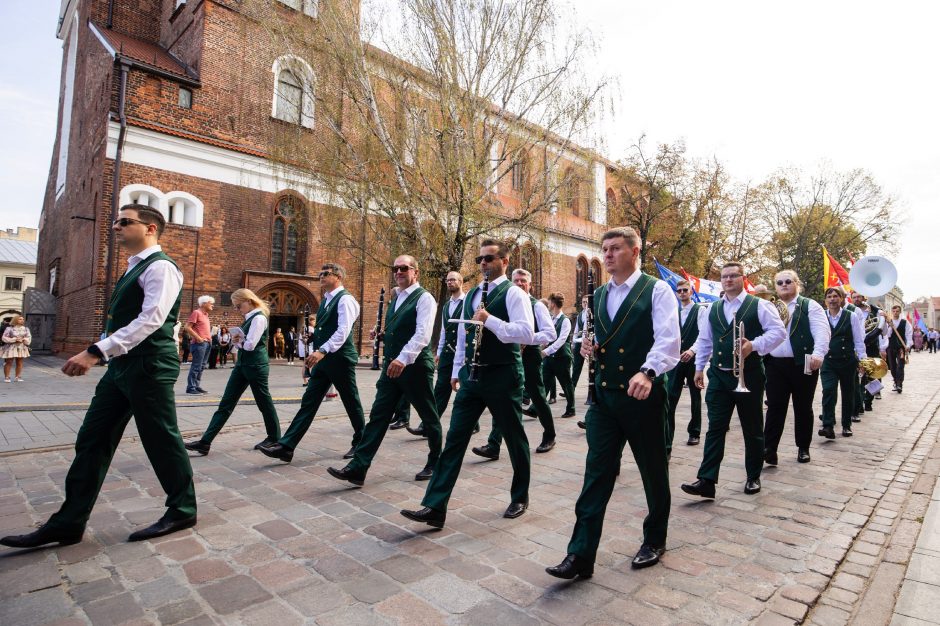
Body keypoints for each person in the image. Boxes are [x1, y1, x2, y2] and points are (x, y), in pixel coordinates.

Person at [1, 203, 196, 549]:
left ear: (150, 228)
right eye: (115, 221)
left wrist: (95, 351)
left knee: (160, 438)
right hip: (123, 366)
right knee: (93, 438)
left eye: (124, 222)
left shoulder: (162, 268)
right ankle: (69, 521)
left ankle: (182, 508)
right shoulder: (133, 268)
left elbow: (151, 320)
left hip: (149, 364)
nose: (115, 227)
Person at [546, 226, 680, 578]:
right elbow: (596, 336)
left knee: (652, 470)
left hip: (643, 396)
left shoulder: (658, 290)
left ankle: (655, 538)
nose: (607, 254)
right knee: (596, 474)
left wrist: (648, 372)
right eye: (604, 249)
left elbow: (669, 341)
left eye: (615, 248)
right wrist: (590, 346)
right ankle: (580, 555)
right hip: (605, 398)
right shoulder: (599, 293)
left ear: (634, 252)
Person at [400, 239, 535, 528]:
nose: (483, 264)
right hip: (472, 377)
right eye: (480, 260)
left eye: (489, 259)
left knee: (513, 438)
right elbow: (463, 333)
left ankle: (520, 495)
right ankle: (434, 505)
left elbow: (525, 333)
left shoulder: (514, 294)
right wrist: (457, 369)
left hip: (503, 373)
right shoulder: (472, 294)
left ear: (504, 262)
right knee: (455, 440)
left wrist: (491, 321)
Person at [327, 255, 443, 485]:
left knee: (429, 415)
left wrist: (402, 358)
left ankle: (436, 461)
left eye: (403, 268)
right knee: (378, 417)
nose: (398, 272)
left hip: (414, 368)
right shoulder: (397, 297)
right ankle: (358, 468)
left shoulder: (425, 298)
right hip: (392, 369)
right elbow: (399, 328)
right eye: (395, 268)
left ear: (415, 272)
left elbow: (422, 334)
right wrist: (382, 334)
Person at [680, 262, 786, 499]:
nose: (728, 280)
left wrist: (754, 345)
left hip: (749, 375)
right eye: (724, 277)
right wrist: (699, 368)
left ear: (743, 278)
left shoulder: (760, 305)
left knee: (752, 428)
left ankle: (753, 476)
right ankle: (707, 480)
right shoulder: (712, 309)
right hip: (718, 375)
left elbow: (779, 332)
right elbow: (706, 340)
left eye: (733, 276)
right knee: (715, 428)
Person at [259, 263, 366, 462]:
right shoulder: (326, 300)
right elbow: (326, 328)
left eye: (325, 274)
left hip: (340, 359)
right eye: (320, 274)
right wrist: (314, 337)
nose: (321, 276)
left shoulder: (346, 300)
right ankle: (287, 445)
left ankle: (361, 441)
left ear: (338, 276)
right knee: (309, 402)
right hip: (324, 360)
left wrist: (322, 350)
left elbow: (343, 331)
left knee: (351, 401)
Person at [184, 289, 282, 455]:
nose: (238, 309)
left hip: (256, 365)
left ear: (249, 301)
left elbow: (250, 345)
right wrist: (237, 341)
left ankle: (274, 437)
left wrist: (238, 341)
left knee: (263, 402)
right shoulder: (249, 318)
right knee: (226, 403)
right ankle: (205, 442)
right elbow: (242, 344)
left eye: (239, 305)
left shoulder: (258, 318)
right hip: (243, 365)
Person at [473, 268, 557, 459]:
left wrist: (528, 339)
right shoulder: (506, 298)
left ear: (530, 284)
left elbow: (550, 333)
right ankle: (494, 444)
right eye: (516, 281)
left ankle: (549, 435)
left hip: (529, 355)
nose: (519, 284)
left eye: (523, 281)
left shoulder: (537, 305)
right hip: (507, 356)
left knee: (537, 396)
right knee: (502, 398)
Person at [762, 270, 829, 465]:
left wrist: (818, 354)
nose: (783, 284)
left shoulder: (809, 305)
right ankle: (769, 448)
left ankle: (803, 447)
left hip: (803, 362)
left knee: (803, 407)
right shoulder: (769, 306)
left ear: (796, 284)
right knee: (774, 406)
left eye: (788, 281)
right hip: (775, 364)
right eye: (779, 282)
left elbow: (821, 331)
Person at [406, 271, 467, 438]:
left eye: (453, 279)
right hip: (447, 354)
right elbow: (443, 331)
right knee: (440, 389)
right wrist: (439, 351)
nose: (449, 282)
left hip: (462, 354)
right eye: (447, 280)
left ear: (461, 282)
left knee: (466, 391)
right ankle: (427, 425)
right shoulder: (446, 305)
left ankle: (472, 424)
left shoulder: (467, 302)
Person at [819, 287, 867, 439]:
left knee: (848, 393)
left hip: (847, 361)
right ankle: (828, 425)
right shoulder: (821, 316)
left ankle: (846, 425)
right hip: (828, 361)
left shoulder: (851, 316)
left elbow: (859, 339)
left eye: (835, 296)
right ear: (825, 300)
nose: (832, 299)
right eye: (829, 297)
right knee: (828, 391)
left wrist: (862, 360)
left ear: (841, 299)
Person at [665, 280, 703, 452]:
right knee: (670, 398)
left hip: (693, 359)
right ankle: (667, 442)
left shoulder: (700, 310)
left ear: (691, 291)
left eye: (685, 290)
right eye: (679, 290)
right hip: (676, 360)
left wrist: (692, 351)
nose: (681, 293)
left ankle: (694, 431)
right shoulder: (674, 312)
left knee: (695, 396)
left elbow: (704, 335)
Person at [542, 293, 577, 418]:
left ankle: (571, 408)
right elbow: (548, 336)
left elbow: (561, 340)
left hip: (562, 357)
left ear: (553, 304)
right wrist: (543, 344)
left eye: (549, 302)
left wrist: (546, 351)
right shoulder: (551, 319)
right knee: (543, 382)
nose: (548, 305)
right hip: (550, 358)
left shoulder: (565, 320)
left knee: (566, 384)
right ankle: (535, 409)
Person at [185, 295, 215, 394]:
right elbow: (187, 327)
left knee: (202, 366)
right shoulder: (196, 313)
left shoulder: (206, 315)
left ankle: (196, 386)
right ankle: (191, 388)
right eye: (211, 303)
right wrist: (198, 338)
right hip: (199, 344)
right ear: (204, 303)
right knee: (197, 366)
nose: (212, 305)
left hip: (207, 343)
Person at [883, 304, 913, 393]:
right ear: (892, 312)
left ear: (900, 312)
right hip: (891, 347)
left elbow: (909, 334)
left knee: (900, 366)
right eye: (894, 311)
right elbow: (886, 335)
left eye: (897, 311)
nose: (895, 313)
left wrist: (908, 345)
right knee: (892, 367)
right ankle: (896, 382)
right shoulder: (889, 322)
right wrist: (890, 327)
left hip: (901, 348)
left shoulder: (905, 322)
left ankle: (899, 384)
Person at [2, 315, 32, 382]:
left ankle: (17, 377)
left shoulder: (26, 329)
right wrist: (15, 339)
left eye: (23, 319)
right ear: (15, 320)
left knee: (20, 362)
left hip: (21, 347)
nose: (22, 320)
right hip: (11, 347)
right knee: (9, 362)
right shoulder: (9, 328)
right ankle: (7, 377)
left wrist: (24, 339)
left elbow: (29, 337)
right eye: (20, 319)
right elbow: (4, 337)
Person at [570, 295, 589, 391]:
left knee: (591, 367)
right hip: (579, 342)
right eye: (583, 302)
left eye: (586, 302)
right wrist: (573, 341)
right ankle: (571, 388)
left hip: (588, 343)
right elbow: (577, 329)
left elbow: (586, 329)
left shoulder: (590, 313)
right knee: (576, 365)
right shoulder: (580, 314)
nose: (585, 304)